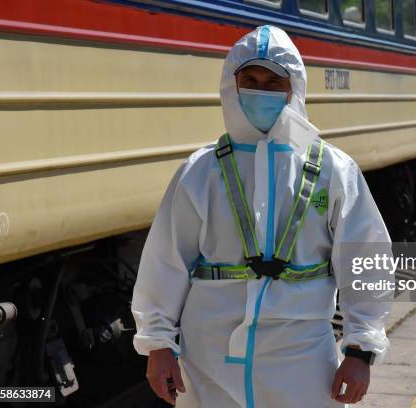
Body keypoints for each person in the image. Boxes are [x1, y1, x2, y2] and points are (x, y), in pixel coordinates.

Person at [131, 25, 393, 408]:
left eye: (273, 82)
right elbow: (165, 262)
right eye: (249, 80)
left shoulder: (332, 169)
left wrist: (360, 351)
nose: (260, 91)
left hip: (301, 364)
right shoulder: (201, 171)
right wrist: (158, 345)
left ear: (294, 89)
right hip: (209, 364)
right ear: (230, 85)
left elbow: (365, 260)